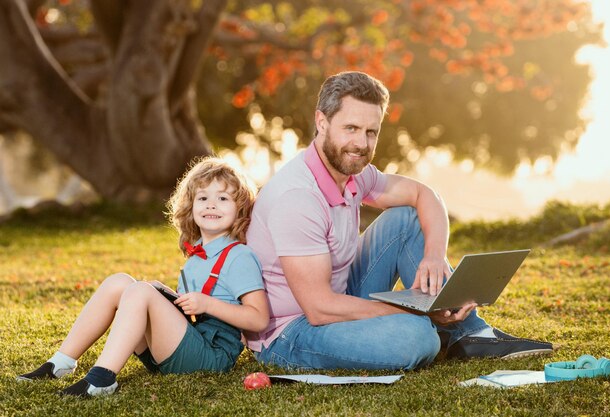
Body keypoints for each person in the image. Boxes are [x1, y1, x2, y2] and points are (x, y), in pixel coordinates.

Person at [244, 71, 552, 370]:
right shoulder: (298, 197)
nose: (361, 144)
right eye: (350, 128)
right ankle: (435, 326)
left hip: (339, 297)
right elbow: (319, 308)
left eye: (370, 132)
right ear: (321, 122)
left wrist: (433, 255)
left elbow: (424, 195)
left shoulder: (352, 174)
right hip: (292, 332)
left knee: (405, 218)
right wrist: (414, 311)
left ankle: (471, 335)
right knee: (416, 337)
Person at [17, 157, 269, 396]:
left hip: (211, 356)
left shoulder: (239, 256)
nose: (211, 204)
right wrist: (167, 297)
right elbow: (188, 317)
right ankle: (60, 362)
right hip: (182, 347)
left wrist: (206, 304)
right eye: (203, 197)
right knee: (119, 282)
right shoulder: (197, 256)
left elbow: (258, 319)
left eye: (223, 198)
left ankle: (103, 379)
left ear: (240, 209)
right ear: (191, 207)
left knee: (141, 291)